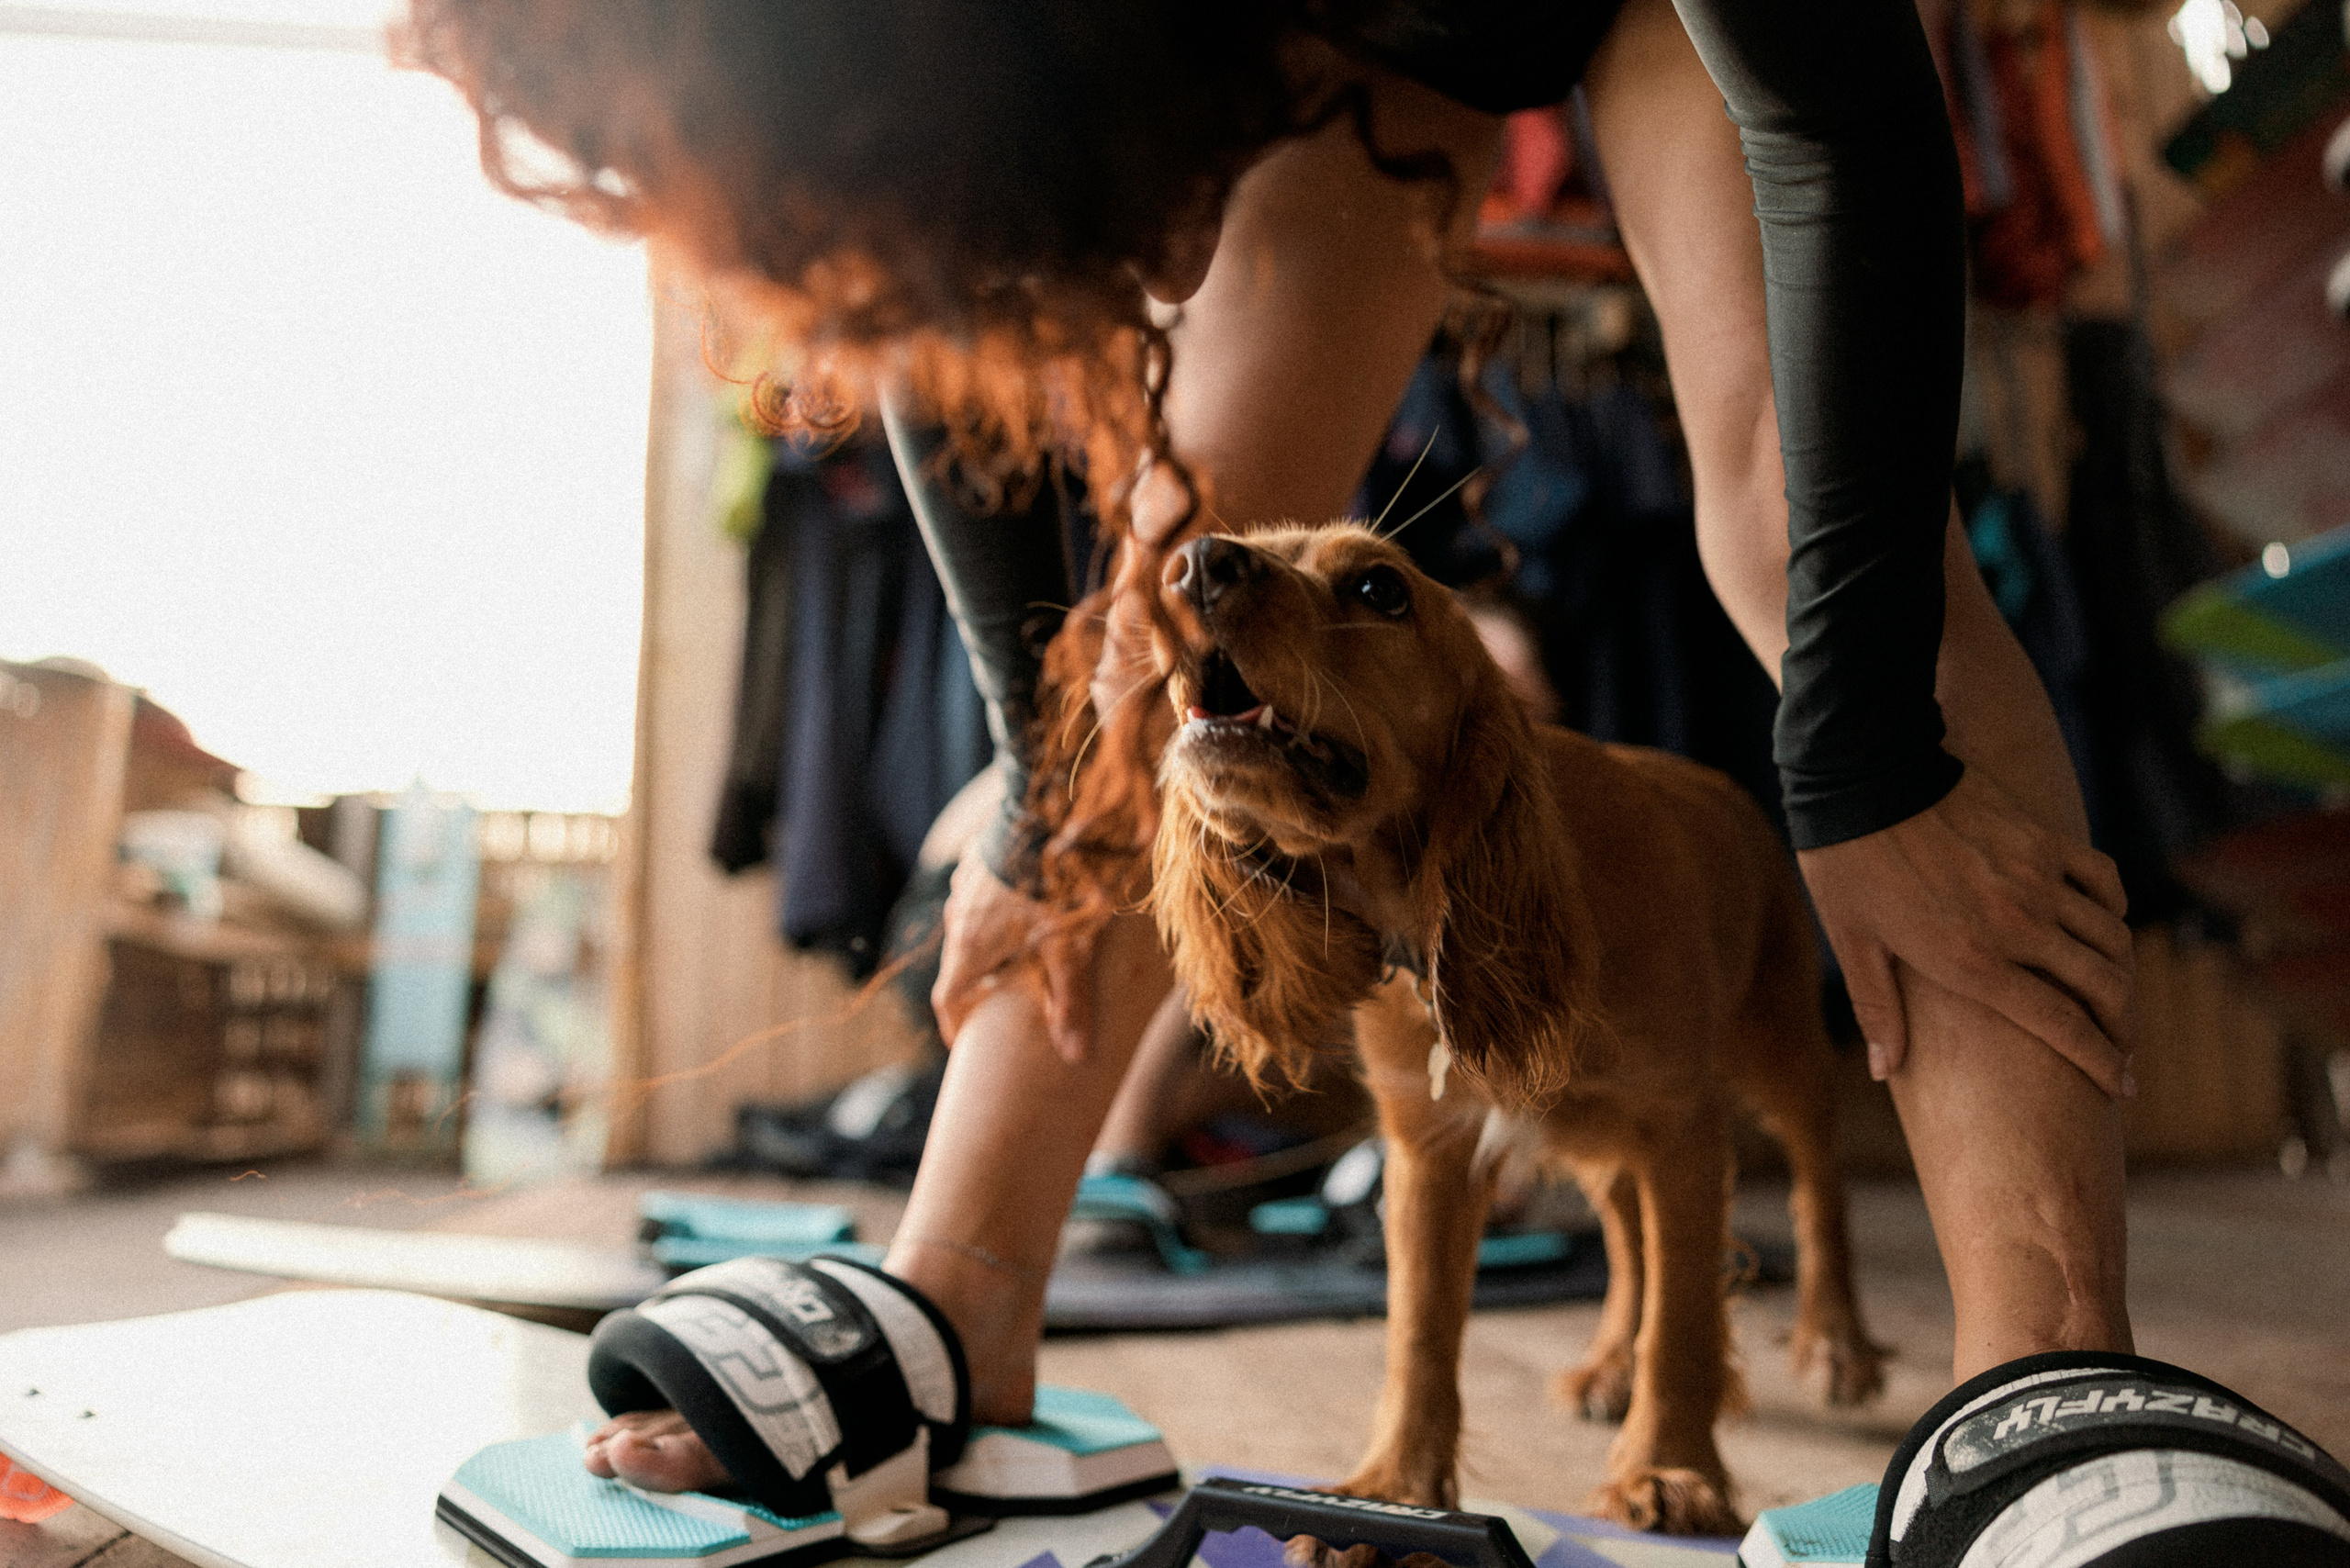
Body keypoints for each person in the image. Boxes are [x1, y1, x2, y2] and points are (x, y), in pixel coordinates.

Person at [397, 0, 2137, 1506]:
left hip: (1683, 29)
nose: (1162, 289)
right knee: (1176, 606)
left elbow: (1846, 122)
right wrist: (1034, 776)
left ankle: (2055, 1376)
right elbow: (932, 318)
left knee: (1803, 539)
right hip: (1355, 39)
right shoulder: (958, 73)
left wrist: (1857, 761)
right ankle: (955, 1302)